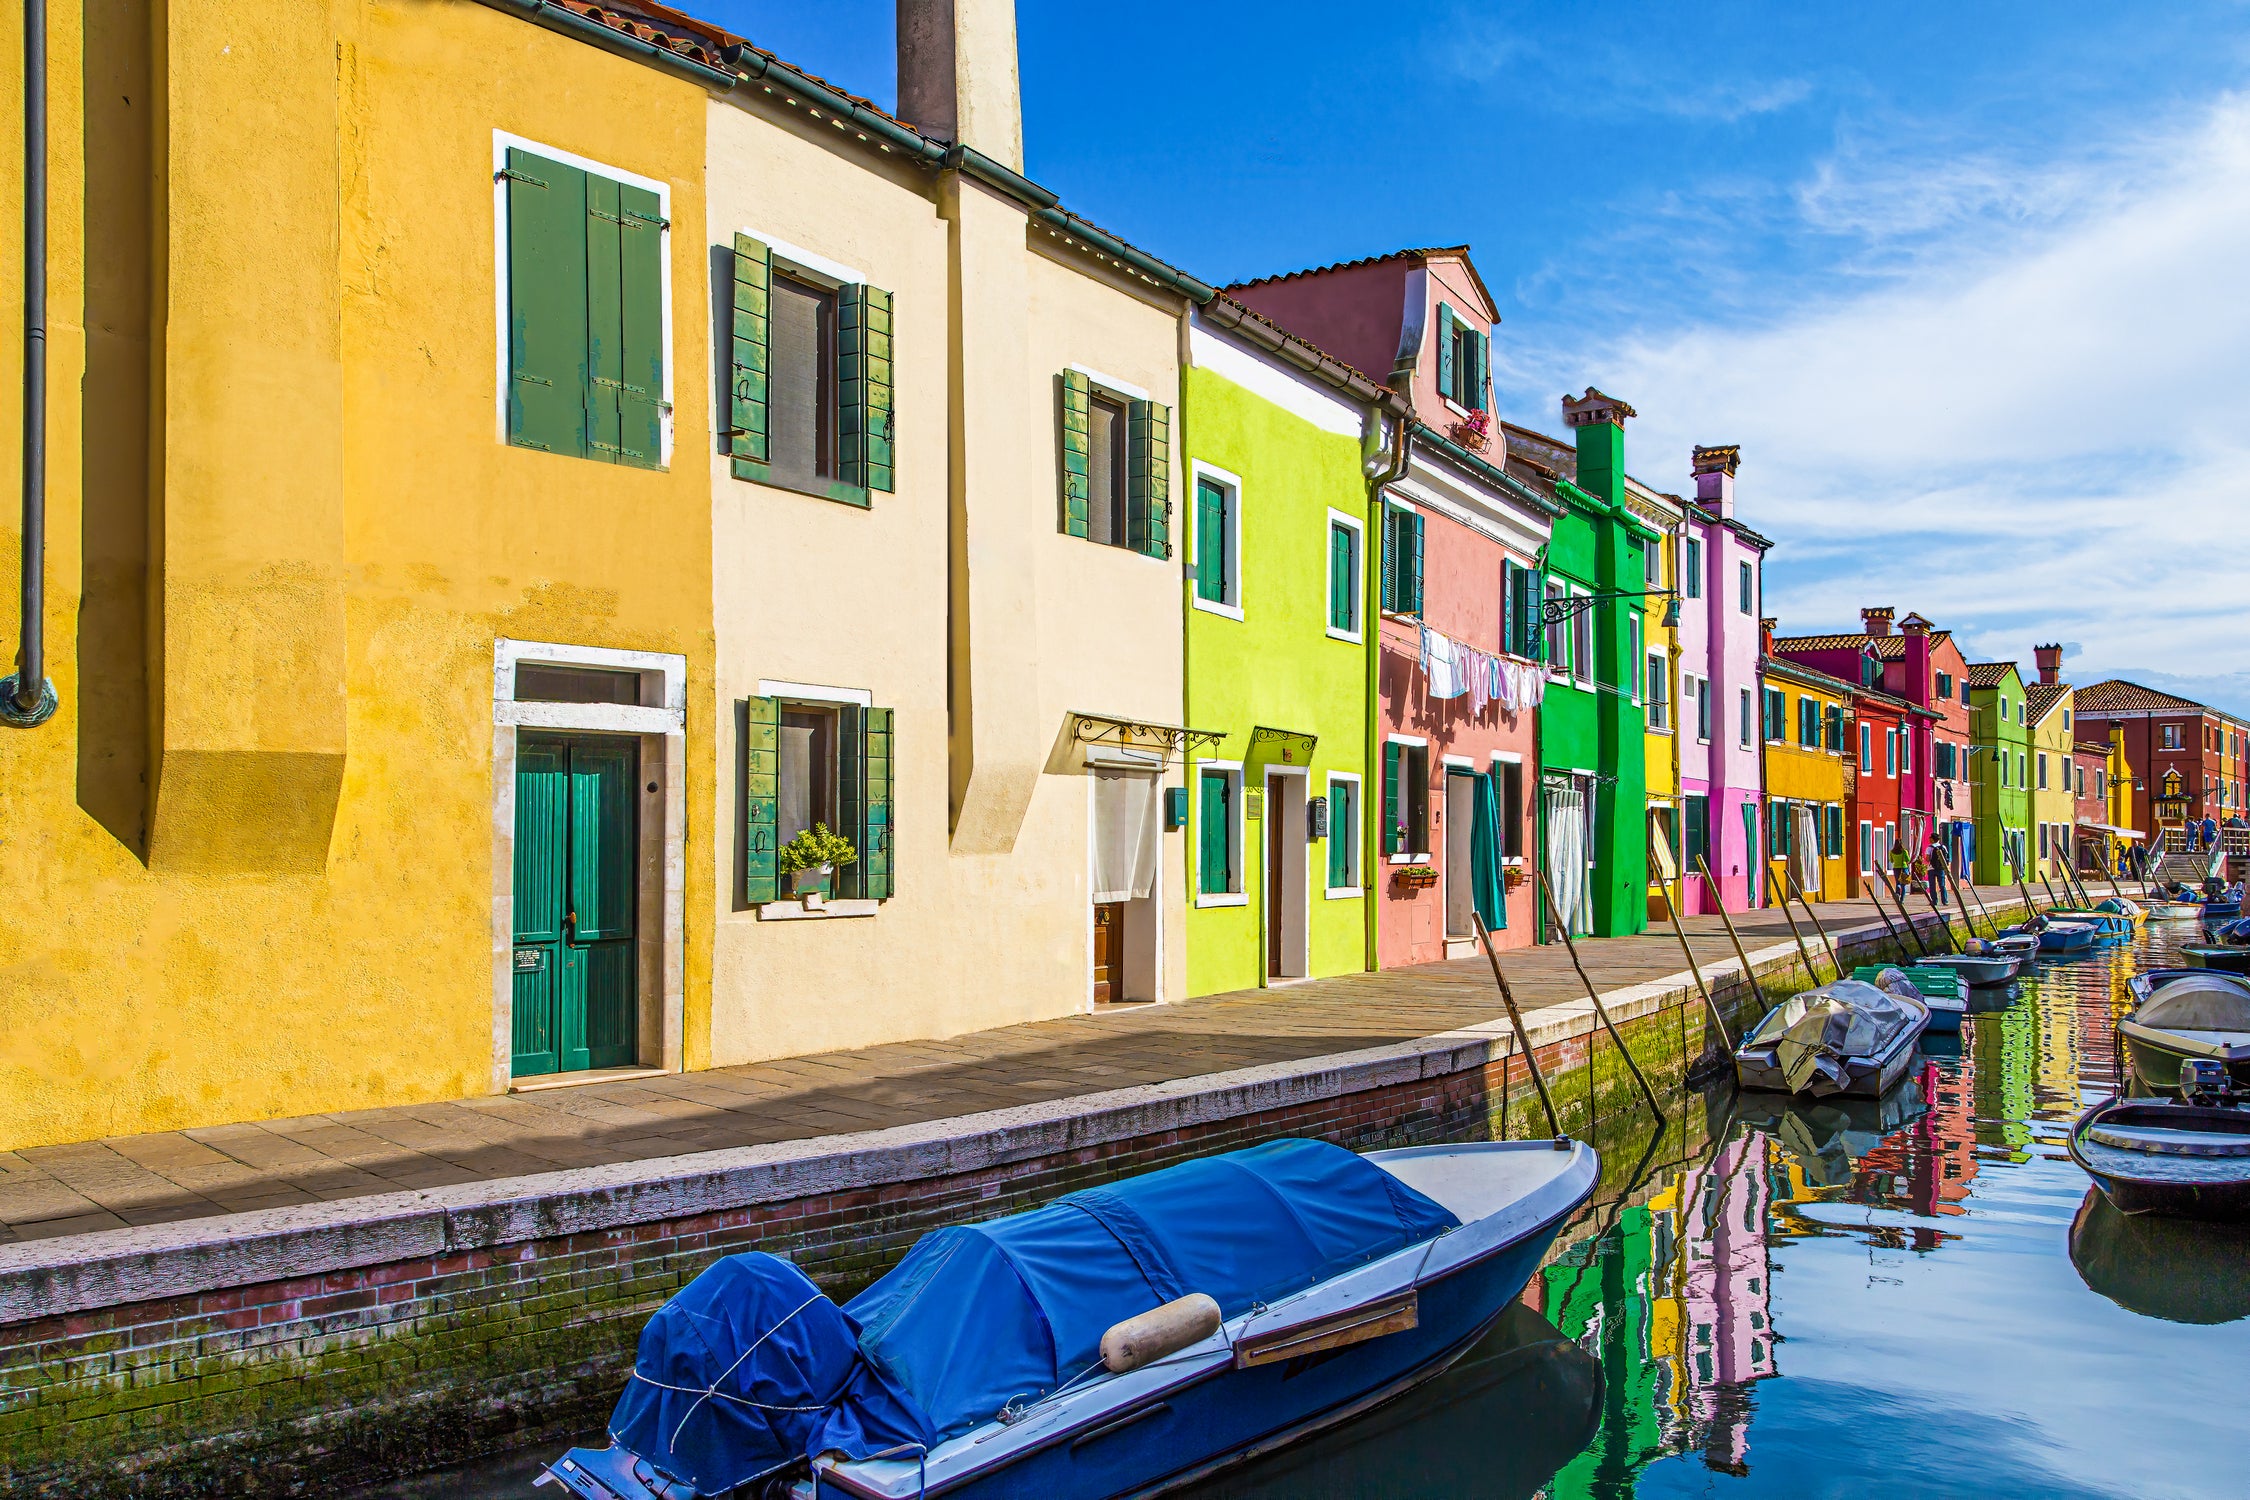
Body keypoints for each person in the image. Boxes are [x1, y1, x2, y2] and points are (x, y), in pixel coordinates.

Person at [1927, 839, 1952, 905]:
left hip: (1931, 868)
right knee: (1942, 885)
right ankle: (1945, 901)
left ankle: (1934, 901)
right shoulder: (1943, 847)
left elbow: (1927, 859)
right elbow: (1947, 857)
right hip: (1941, 868)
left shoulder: (1930, 848)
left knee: (1932, 885)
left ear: (1932, 839)